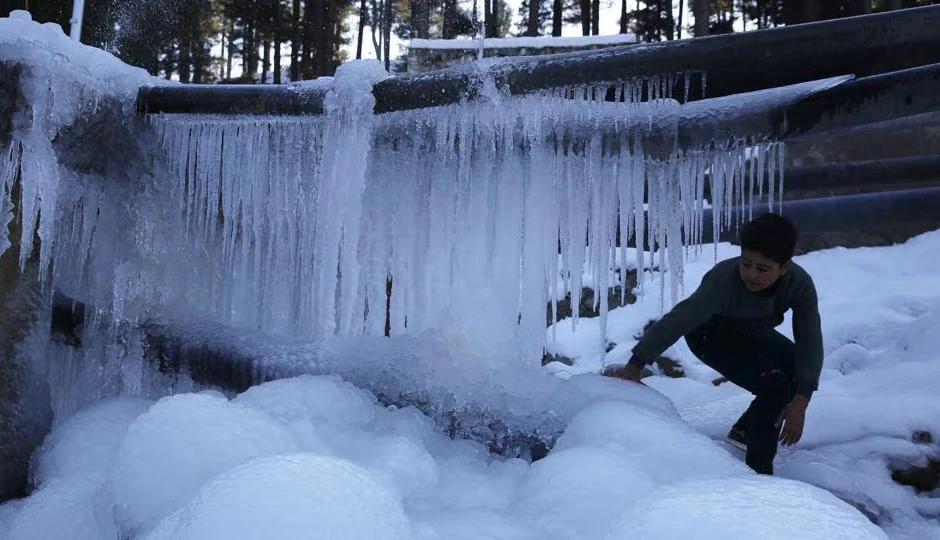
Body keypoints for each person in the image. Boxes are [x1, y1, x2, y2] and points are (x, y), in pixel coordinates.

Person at [607, 212, 823, 475]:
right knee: (774, 386)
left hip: (753, 332)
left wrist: (801, 402)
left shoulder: (799, 285)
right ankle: (760, 475)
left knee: (796, 365)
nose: (751, 274)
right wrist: (635, 365)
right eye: (746, 263)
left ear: (785, 267)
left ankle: (745, 432)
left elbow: (810, 340)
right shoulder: (722, 282)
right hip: (710, 338)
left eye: (762, 268)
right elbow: (679, 320)